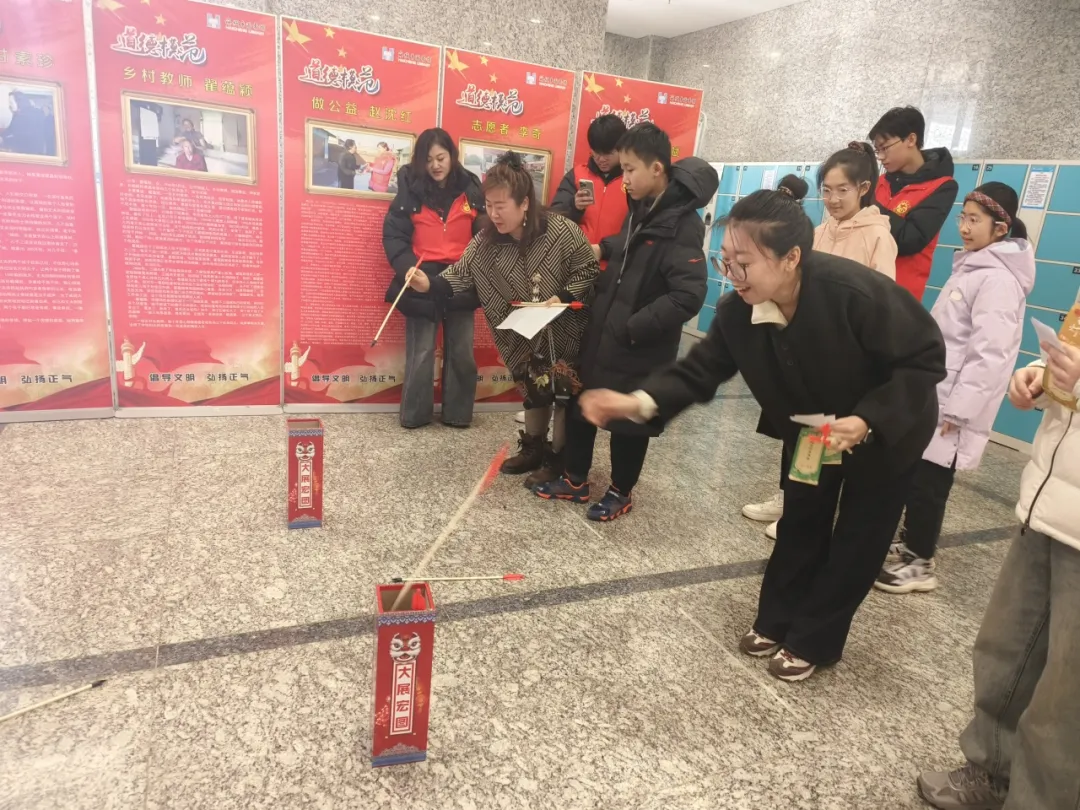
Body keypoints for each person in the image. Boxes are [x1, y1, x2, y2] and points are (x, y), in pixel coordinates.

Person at [579, 189, 945, 682]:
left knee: (859, 538)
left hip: (885, 432)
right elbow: (698, 372)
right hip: (813, 433)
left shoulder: (854, 292)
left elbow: (923, 359)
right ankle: (776, 620)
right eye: (726, 261)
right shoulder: (739, 312)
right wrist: (637, 402)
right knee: (801, 520)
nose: (732, 274)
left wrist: (867, 420)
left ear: (791, 257)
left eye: (744, 263)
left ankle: (814, 639)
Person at [916, 339, 1080, 810]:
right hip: (1046, 504)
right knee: (1004, 651)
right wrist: (1042, 377)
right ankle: (992, 771)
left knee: (1066, 693)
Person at [533, 122, 714, 521]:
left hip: (638, 343)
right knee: (583, 403)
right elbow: (629, 249)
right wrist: (602, 250)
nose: (625, 178)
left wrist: (635, 326)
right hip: (606, 331)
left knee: (629, 424)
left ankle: (620, 491)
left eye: (630, 169)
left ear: (657, 169)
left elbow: (688, 294)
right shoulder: (644, 208)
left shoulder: (681, 222)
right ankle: (575, 480)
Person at [876, 182, 1034, 594]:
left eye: (974, 220)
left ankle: (920, 563)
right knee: (918, 476)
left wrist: (960, 410)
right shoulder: (974, 267)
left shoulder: (998, 280)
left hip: (954, 404)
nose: (964, 227)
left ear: (1000, 228)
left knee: (930, 484)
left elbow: (991, 354)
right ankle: (911, 544)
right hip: (938, 394)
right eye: (962, 218)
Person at [407, 152, 599, 481]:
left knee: (564, 392)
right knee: (533, 385)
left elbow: (588, 269)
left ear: (524, 203)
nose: (493, 214)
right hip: (523, 333)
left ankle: (558, 457)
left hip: (566, 328)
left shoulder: (561, 230)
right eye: (488, 205)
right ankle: (533, 447)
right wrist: (429, 284)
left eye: (500, 206)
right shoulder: (486, 242)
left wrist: (563, 297)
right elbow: (460, 274)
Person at [743, 144, 897, 539]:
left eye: (842, 190)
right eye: (826, 190)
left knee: (825, 439)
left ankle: (806, 515)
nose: (832, 199)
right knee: (798, 431)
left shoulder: (878, 236)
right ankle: (789, 498)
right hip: (804, 351)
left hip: (845, 361)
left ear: (863, 188)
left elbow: (882, 304)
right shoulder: (818, 232)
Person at [382, 128, 484, 429]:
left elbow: (484, 234)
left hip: (460, 276)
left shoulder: (471, 187)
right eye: (428, 160)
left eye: (441, 157)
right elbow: (394, 236)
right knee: (422, 351)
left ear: (452, 156)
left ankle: (458, 414)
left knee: (462, 351)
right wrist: (407, 269)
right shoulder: (409, 188)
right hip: (420, 275)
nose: (435, 165)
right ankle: (415, 415)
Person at [869, 106, 959, 301]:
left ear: (911, 139)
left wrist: (868, 205)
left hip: (898, 296)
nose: (881, 157)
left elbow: (910, 239)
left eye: (885, 148)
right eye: (877, 150)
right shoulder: (880, 182)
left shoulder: (942, 187)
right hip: (865, 286)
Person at [551, 114, 629, 260]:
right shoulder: (576, 175)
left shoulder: (632, 180)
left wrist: (603, 250)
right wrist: (574, 206)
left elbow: (637, 231)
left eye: (608, 153)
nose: (601, 159)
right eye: (596, 153)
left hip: (615, 265)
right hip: (577, 264)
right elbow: (554, 220)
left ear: (622, 149)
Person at [0, 91, 47, 155]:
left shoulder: (30, 115)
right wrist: (2, 136)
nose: (9, 105)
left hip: (30, 153)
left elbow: (22, 137)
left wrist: (4, 140)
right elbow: (10, 130)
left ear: (19, 102)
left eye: (11, 102)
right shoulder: (19, 114)